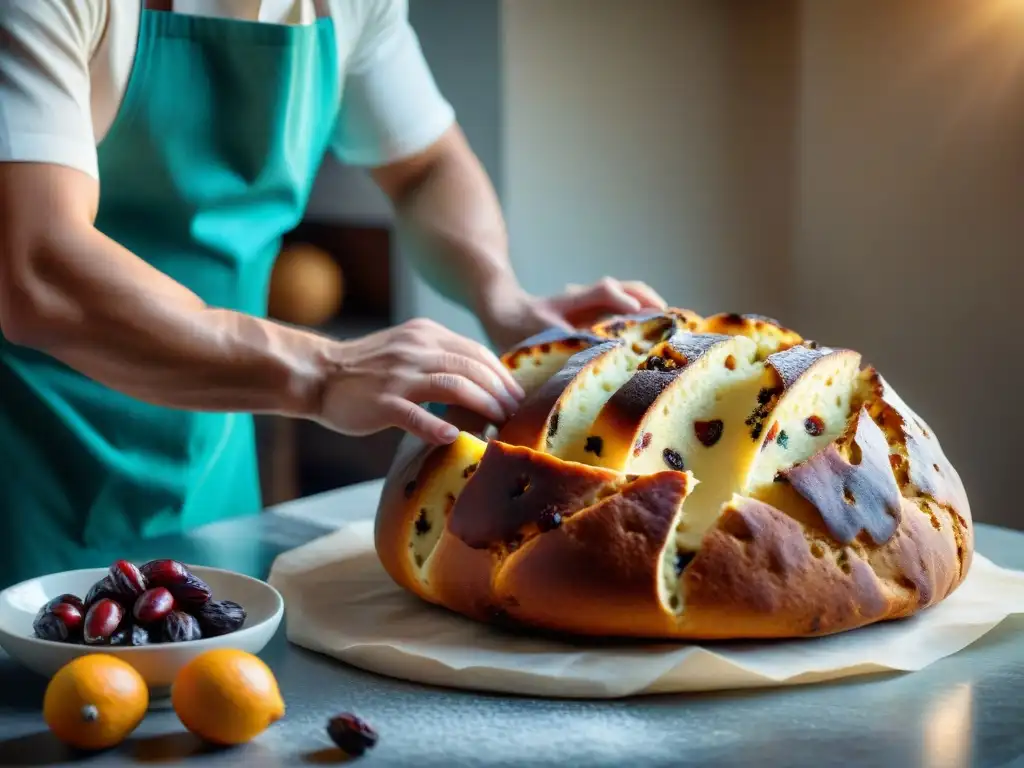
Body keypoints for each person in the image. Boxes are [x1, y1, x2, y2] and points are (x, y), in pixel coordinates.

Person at [0, 0, 666, 588]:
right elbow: (39, 269)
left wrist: (502, 299)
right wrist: (324, 371)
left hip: (208, 455)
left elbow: (425, 168)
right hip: (27, 465)